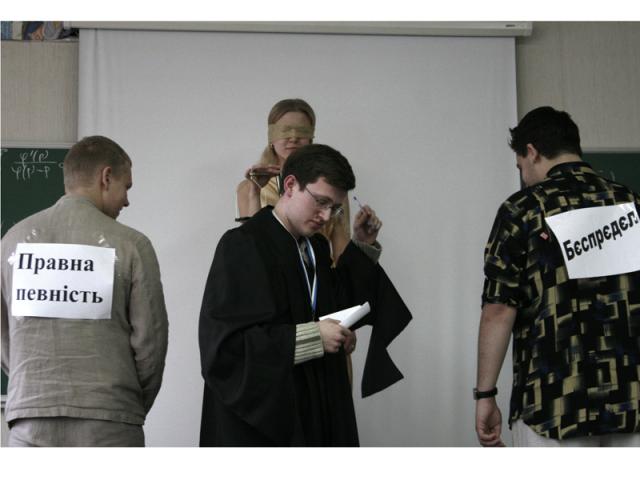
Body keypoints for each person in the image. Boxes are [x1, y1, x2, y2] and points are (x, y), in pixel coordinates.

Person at [199, 144, 411, 446]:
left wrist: (361, 246)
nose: (326, 216)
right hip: (268, 423)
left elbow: (337, 304)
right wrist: (313, 338)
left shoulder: (315, 248)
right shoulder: (243, 245)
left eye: (335, 208)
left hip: (316, 407)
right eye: (321, 202)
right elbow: (225, 348)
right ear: (290, 185)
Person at [475, 106, 640, 447]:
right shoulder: (631, 204)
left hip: (553, 405)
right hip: (631, 402)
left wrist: (485, 394)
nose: (524, 177)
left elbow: (499, 310)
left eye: (521, 167)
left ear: (532, 152)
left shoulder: (522, 210)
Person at [1, 135, 169, 447]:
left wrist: (34, 391)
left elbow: (4, 335)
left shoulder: (12, 241)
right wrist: (126, 403)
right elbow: (151, 343)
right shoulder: (132, 245)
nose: (127, 201)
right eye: (127, 187)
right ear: (106, 177)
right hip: (111, 423)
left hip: (30, 423)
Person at [235, 98, 351, 262]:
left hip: (320, 273)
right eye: (285, 131)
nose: (294, 138)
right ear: (271, 137)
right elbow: (250, 247)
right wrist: (255, 193)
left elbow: (342, 250)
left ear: (311, 136)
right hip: (272, 273)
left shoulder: (332, 188)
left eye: (302, 131)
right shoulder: (248, 188)